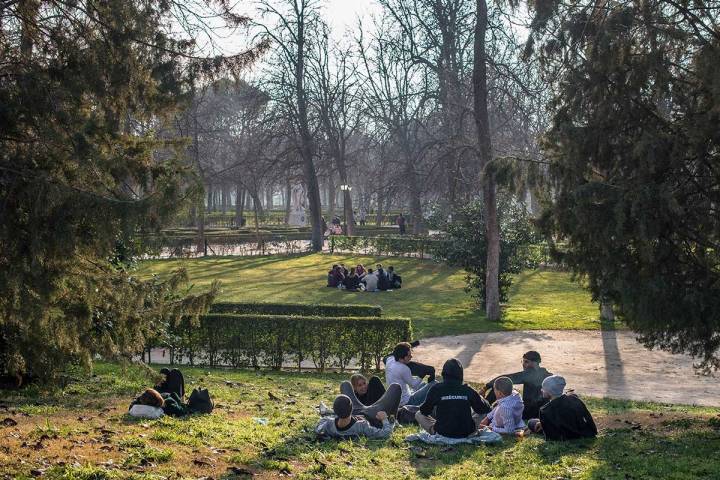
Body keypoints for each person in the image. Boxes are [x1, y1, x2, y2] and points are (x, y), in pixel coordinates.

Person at [415, 359, 492, 438]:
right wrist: (481, 398)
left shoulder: (436, 389)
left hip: (443, 432)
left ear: (443, 373)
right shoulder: (467, 389)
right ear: (461, 374)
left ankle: (437, 429)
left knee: (418, 414)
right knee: (481, 411)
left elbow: (424, 411)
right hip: (467, 432)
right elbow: (485, 409)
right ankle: (465, 427)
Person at [484, 350, 552, 419]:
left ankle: (484, 407)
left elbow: (504, 379)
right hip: (541, 412)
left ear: (535, 363)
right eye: (523, 361)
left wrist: (486, 387)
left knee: (500, 385)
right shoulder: (548, 374)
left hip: (527, 413)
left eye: (526, 362)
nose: (523, 364)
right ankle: (486, 406)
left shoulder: (529, 374)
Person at [527, 375, 597, 441]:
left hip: (565, 436)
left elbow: (550, 436)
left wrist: (544, 425)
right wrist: (592, 431)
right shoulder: (574, 399)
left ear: (549, 391)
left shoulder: (544, 410)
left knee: (531, 422)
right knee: (538, 422)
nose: (541, 390)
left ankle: (540, 424)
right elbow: (588, 418)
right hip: (582, 432)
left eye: (543, 388)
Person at [315, 394, 395, 439]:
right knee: (395, 387)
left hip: (353, 414)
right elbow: (385, 433)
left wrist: (353, 417)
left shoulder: (328, 425)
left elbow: (319, 427)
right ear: (352, 408)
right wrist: (385, 419)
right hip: (373, 414)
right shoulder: (362, 426)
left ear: (335, 411)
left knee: (345, 384)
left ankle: (329, 411)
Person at [385, 342, 437, 407]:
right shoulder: (403, 368)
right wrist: (423, 373)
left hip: (395, 399)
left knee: (424, 384)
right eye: (409, 356)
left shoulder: (389, 360)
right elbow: (414, 385)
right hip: (406, 402)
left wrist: (405, 346)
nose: (411, 357)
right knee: (434, 384)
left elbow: (394, 352)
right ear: (401, 358)